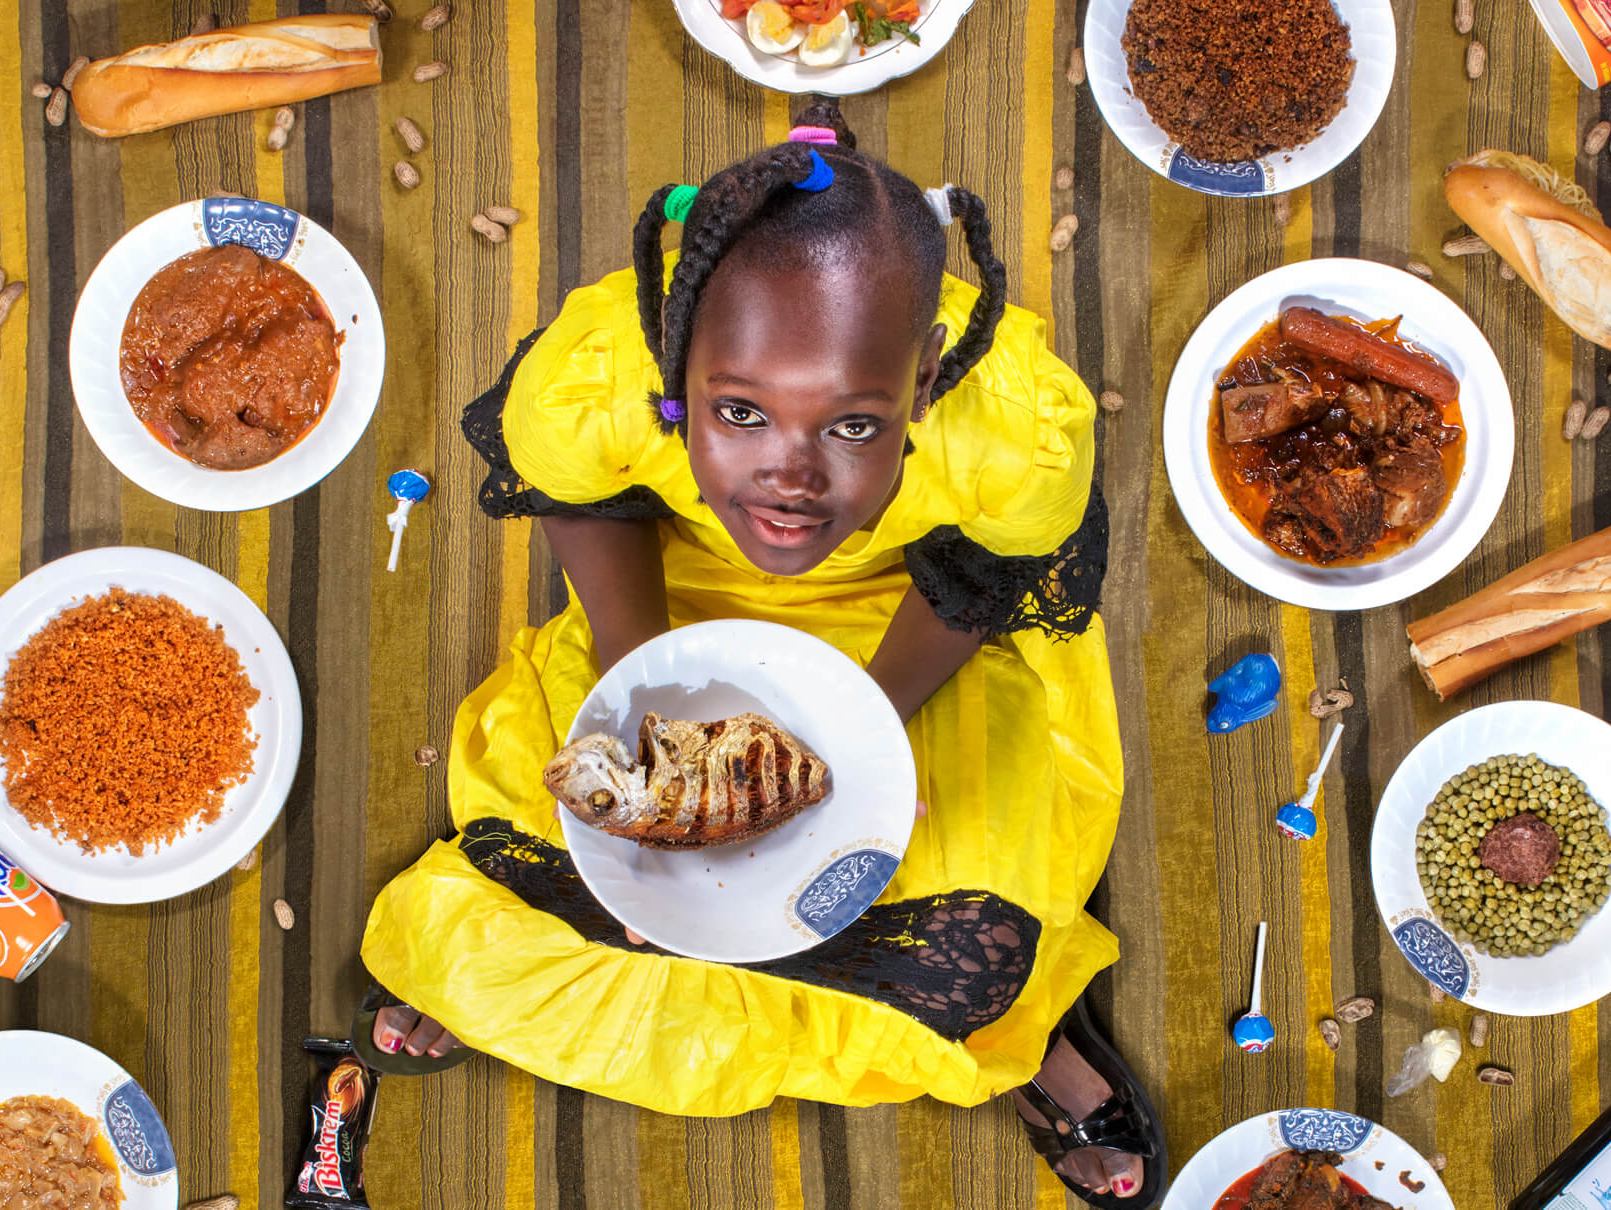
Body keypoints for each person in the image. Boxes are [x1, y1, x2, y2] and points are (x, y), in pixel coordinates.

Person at [358, 101, 1163, 1207]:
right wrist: (653, 708)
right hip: (672, 607)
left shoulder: (1011, 425)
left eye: (851, 427)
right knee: (549, 870)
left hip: (908, 633)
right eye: (737, 412)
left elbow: (981, 579)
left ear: (923, 378)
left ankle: (1025, 1032)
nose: (790, 478)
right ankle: (595, 924)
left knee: (971, 956)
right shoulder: (598, 364)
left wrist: (852, 747)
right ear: (675, 357)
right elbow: (580, 497)